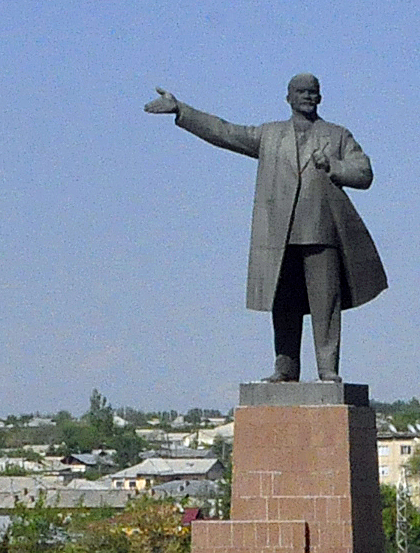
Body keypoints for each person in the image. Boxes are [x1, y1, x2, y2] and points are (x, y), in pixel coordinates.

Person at [144, 76, 388, 383]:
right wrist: (181, 110)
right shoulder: (270, 135)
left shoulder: (337, 135)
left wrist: (334, 167)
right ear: (287, 98)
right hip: (279, 235)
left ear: (321, 98)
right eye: (301, 93)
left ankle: (328, 369)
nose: (307, 97)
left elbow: (363, 172)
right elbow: (225, 132)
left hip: (321, 232)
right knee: (284, 304)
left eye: (313, 93)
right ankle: (285, 367)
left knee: (326, 304)